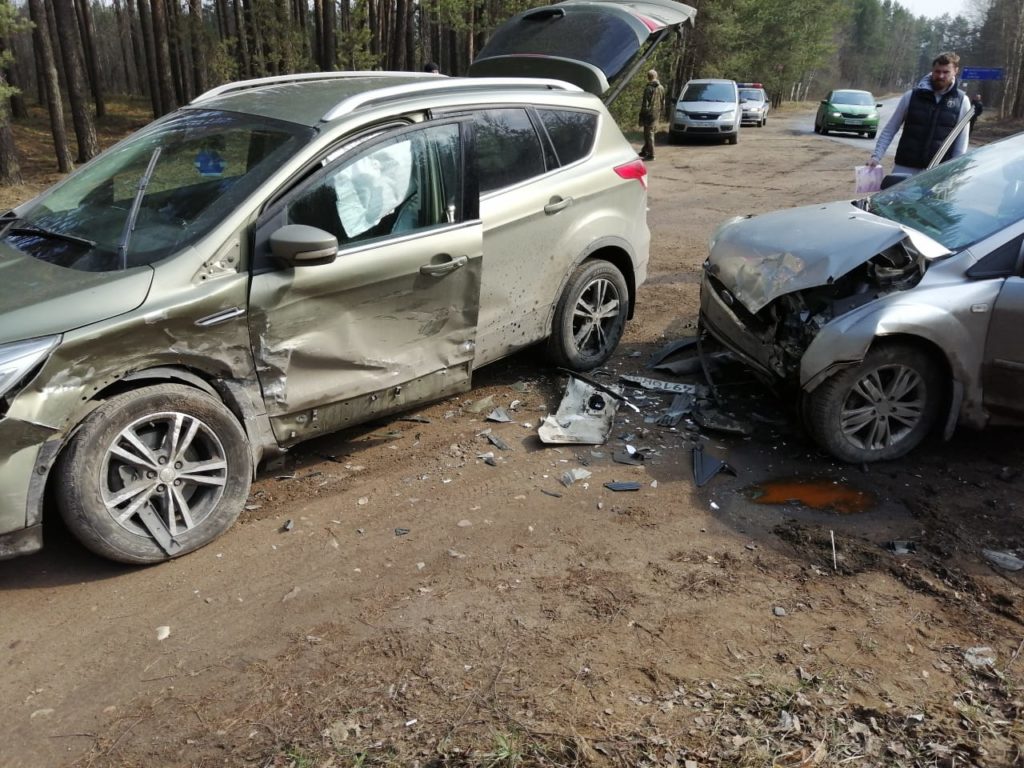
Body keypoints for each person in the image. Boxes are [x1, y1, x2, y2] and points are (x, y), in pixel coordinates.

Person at [868, 52, 972, 176]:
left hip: (939, 171)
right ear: (932, 70)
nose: (941, 76)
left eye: (946, 72)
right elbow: (890, 129)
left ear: (955, 71)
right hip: (905, 167)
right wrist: (876, 156)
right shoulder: (911, 96)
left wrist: (954, 171)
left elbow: (961, 141)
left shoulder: (962, 101)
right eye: (937, 71)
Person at [638, 69, 665, 161]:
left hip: (649, 114)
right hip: (656, 113)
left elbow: (645, 104)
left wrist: (642, 115)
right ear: (656, 76)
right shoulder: (661, 87)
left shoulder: (648, 88)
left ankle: (652, 154)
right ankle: (645, 150)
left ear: (648, 77)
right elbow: (663, 101)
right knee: (649, 133)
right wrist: (661, 112)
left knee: (649, 134)